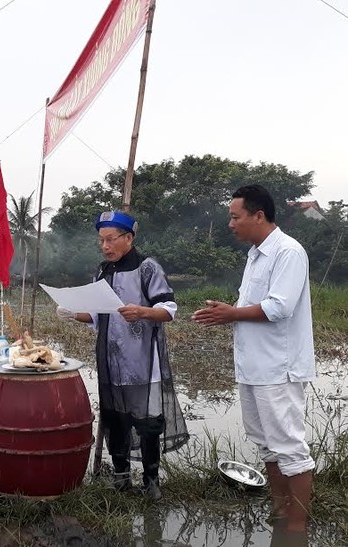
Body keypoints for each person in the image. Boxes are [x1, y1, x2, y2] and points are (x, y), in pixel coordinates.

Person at [192, 184, 315, 533]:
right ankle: (279, 511)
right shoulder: (256, 252)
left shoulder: (288, 252)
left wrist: (231, 314)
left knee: (290, 448)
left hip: (279, 368)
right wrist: (226, 313)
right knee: (268, 447)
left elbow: (279, 307)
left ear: (258, 215)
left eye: (235, 217)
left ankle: (296, 528)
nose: (231, 224)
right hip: (253, 367)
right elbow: (251, 306)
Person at [56, 211, 189, 501]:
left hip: (142, 361)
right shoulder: (102, 271)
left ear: (128, 238)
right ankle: (121, 477)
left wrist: (142, 311)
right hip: (110, 360)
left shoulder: (147, 268)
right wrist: (70, 313)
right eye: (101, 240)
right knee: (115, 419)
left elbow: (169, 309)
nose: (105, 246)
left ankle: (151, 480)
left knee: (148, 421)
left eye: (110, 239)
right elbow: (95, 316)